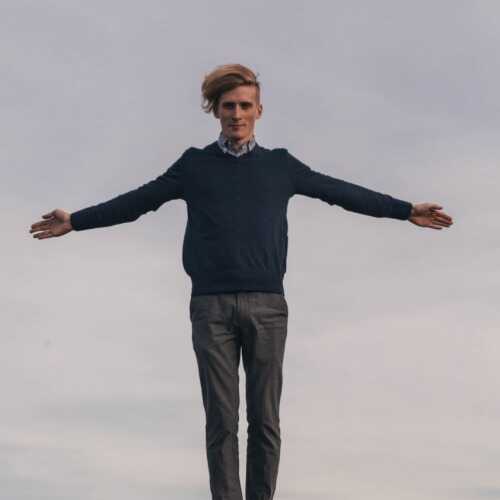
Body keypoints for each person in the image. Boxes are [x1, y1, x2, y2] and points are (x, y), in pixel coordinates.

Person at [29, 63, 454, 500]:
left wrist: (405, 210)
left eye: (245, 106)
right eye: (229, 106)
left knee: (265, 421)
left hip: (268, 307)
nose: (237, 114)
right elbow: (137, 201)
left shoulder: (280, 166)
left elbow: (341, 192)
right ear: (216, 110)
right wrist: (76, 221)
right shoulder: (193, 166)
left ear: (259, 111)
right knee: (221, 421)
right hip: (210, 308)